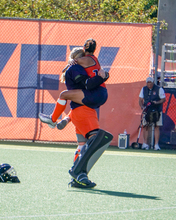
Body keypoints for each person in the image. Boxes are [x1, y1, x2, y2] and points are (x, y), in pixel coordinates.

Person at [39, 46, 112, 188]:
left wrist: (67, 119)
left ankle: (77, 176)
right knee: (95, 141)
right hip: (84, 111)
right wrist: (102, 77)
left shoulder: (73, 68)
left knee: (82, 145)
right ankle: (79, 173)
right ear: (79, 58)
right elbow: (88, 85)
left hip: (78, 111)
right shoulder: (76, 68)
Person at [39, 38, 106, 129]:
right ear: (94, 50)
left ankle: (53, 119)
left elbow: (66, 68)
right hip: (101, 92)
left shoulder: (82, 61)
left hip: (95, 92)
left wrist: (71, 60)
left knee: (64, 95)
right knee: (76, 105)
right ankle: (66, 119)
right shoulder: (95, 59)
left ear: (84, 48)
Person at [139, 77, 166, 150]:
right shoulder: (143, 89)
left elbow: (163, 99)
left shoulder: (159, 89)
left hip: (157, 110)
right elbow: (140, 99)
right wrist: (142, 106)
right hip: (147, 110)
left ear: (153, 82)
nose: (149, 84)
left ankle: (156, 145)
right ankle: (145, 144)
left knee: (157, 126)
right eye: (148, 82)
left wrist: (156, 102)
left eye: (150, 82)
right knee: (145, 126)